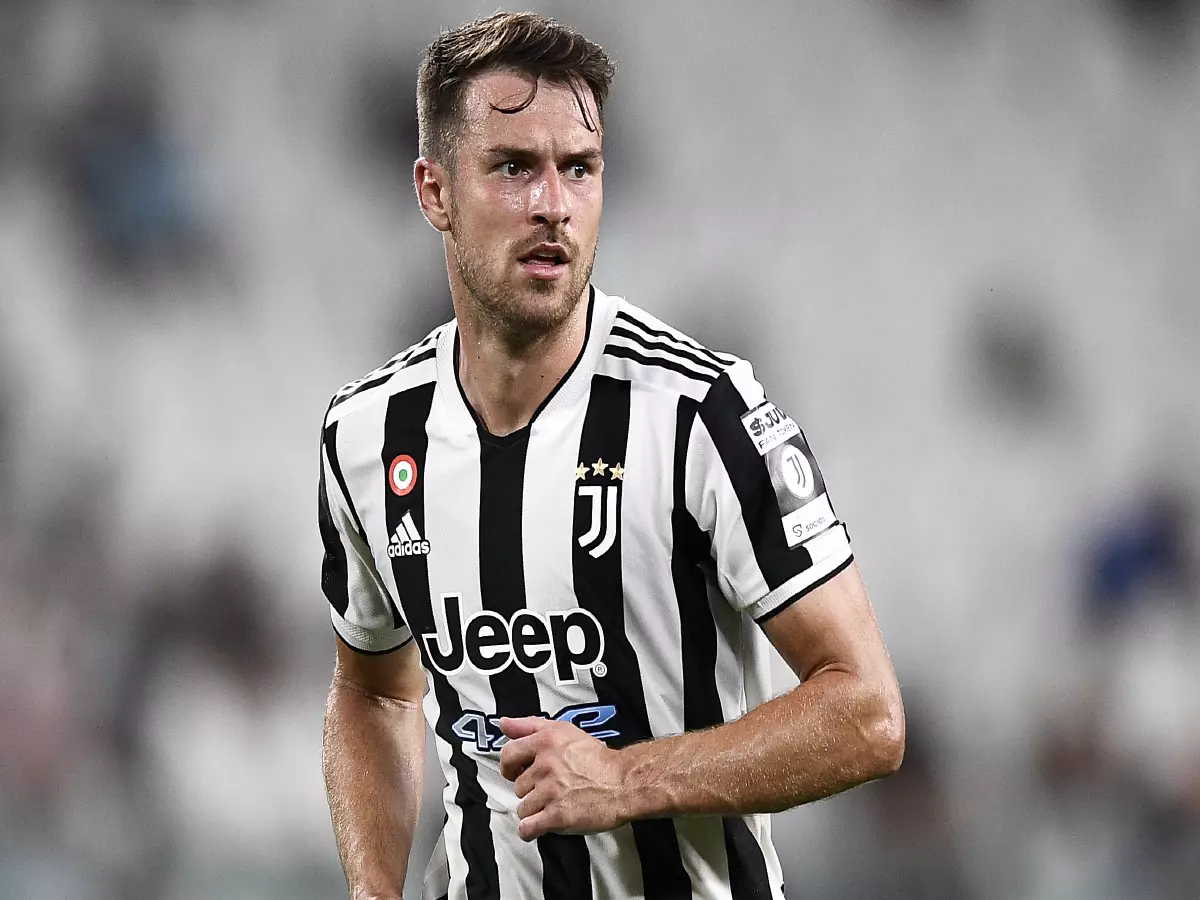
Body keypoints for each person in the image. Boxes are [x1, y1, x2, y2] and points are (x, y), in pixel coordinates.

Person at [318, 12, 904, 900]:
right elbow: (374, 690)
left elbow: (868, 712)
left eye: (578, 169)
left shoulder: (703, 412)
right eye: (514, 167)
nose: (552, 203)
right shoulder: (367, 436)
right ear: (434, 190)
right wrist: (373, 889)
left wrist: (629, 778)